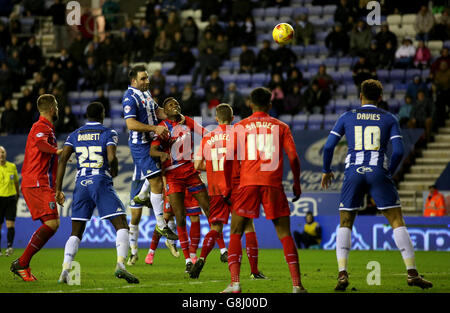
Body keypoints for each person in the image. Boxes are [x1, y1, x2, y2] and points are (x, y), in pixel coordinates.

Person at [321, 79, 433, 291]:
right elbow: (399, 151)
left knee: (345, 222)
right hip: (378, 171)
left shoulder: (347, 117)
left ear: (360, 96)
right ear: (381, 98)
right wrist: (387, 174)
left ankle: (342, 274)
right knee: (396, 220)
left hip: (353, 172)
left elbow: (328, 148)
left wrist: (326, 171)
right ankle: (412, 273)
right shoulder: (389, 118)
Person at [222, 87, 306, 293]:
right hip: (273, 184)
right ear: (270, 104)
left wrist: (226, 187)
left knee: (236, 231)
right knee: (285, 234)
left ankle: (235, 283)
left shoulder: (240, 127)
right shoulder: (281, 126)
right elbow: (294, 157)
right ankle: (296, 285)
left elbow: (228, 158)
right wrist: (296, 183)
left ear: (250, 104)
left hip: (247, 183)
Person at [55, 102, 139, 284]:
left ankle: (66, 268)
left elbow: (62, 159)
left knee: (76, 231)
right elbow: (111, 157)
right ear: (102, 114)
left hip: (81, 184)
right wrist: (114, 171)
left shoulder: (75, 134)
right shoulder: (108, 133)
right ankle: (120, 265)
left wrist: (58, 189)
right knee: (121, 223)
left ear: (86, 116)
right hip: (100, 181)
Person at [191, 103, 265, 280]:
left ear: (216, 119)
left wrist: (210, 169)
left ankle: (201, 259)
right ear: (233, 119)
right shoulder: (238, 135)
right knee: (247, 227)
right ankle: (254, 271)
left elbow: (196, 165)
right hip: (236, 188)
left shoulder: (207, 138)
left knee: (216, 227)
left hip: (215, 189)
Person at [122, 65, 177, 265]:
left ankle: (144, 196)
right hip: (140, 145)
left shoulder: (146, 95)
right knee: (156, 182)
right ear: (134, 81)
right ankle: (161, 224)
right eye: (143, 78)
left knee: (158, 180)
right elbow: (130, 124)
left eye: (147, 78)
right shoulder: (130, 97)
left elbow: (158, 112)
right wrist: (154, 128)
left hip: (151, 142)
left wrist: (170, 113)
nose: (147, 81)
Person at [150, 97, 210, 273]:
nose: (174, 106)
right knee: (180, 218)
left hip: (191, 173)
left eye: (176, 103)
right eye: (169, 104)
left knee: (209, 210)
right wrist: (161, 155)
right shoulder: (163, 127)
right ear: (165, 111)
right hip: (173, 176)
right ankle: (188, 260)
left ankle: (214, 252)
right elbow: (152, 149)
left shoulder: (187, 120)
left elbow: (205, 132)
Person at [10, 94, 63, 281]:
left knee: (52, 224)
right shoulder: (40, 127)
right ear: (51, 109)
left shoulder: (49, 129)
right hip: (35, 181)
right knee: (52, 223)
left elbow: (53, 164)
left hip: (43, 183)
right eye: (56, 106)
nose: (58, 109)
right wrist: (56, 150)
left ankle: (22, 263)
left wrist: (57, 189)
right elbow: (41, 145)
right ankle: (22, 263)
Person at [0, 146, 19, 257]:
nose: (1, 154)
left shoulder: (12, 166)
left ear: (5, 154)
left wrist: (17, 194)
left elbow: (16, 182)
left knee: (10, 224)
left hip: (11, 198)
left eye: (3, 152)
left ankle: (9, 247)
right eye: (0, 153)